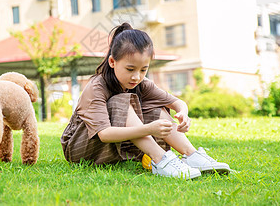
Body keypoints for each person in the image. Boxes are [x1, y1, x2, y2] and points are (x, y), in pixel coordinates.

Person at [61, 23, 231, 180]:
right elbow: (104, 134)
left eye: (144, 70)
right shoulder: (96, 87)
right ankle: (161, 160)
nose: (137, 76)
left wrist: (183, 114)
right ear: (112, 62)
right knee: (120, 101)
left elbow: (177, 103)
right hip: (80, 149)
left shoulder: (141, 84)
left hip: (115, 147)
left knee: (155, 107)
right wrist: (148, 129)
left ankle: (192, 155)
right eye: (130, 69)